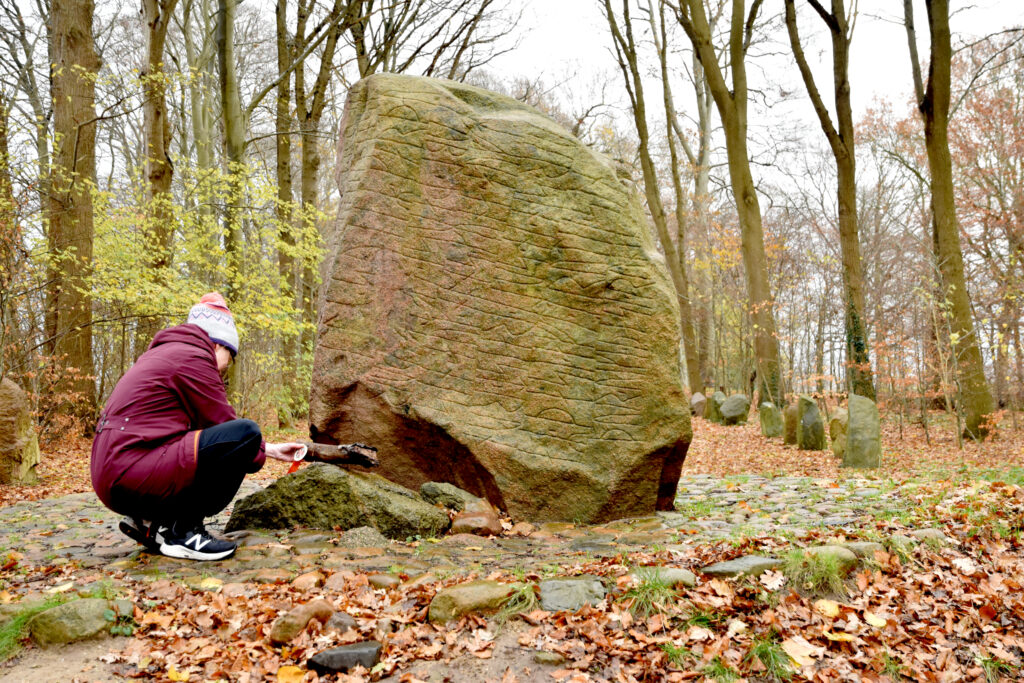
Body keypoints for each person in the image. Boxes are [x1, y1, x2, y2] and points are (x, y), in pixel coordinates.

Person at [90, 293, 304, 561]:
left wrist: (271, 450)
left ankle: (150, 521)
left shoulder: (164, 353)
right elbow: (227, 427)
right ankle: (184, 532)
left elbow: (199, 430)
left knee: (206, 439)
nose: (226, 368)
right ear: (217, 345)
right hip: (129, 470)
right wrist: (257, 451)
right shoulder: (193, 357)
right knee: (246, 433)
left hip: (113, 471)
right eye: (230, 356)